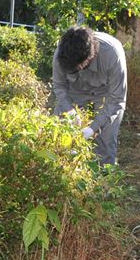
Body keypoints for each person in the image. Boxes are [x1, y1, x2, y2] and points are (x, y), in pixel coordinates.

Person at [52, 25, 127, 165]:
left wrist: (93, 128)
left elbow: (116, 99)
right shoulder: (61, 53)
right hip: (75, 91)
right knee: (60, 134)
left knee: (105, 140)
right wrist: (69, 111)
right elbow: (59, 86)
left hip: (105, 93)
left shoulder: (112, 54)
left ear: (88, 59)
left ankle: (104, 180)